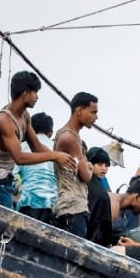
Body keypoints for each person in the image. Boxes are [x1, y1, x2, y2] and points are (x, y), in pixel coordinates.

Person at [0, 71, 75, 209]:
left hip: (3, 180)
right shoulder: (5, 121)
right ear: (25, 94)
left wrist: (61, 159)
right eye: (35, 92)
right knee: (0, 227)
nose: (37, 97)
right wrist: (55, 155)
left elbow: (37, 147)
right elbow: (19, 158)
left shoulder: (24, 116)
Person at [51, 92, 98, 236]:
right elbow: (86, 175)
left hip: (73, 207)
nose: (96, 117)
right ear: (79, 111)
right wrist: (89, 166)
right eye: (93, 112)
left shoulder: (73, 136)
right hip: (71, 207)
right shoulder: (69, 137)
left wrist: (87, 165)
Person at [14, 112, 56, 223]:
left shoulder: (21, 147)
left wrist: (19, 185)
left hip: (28, 202)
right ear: (50, 133)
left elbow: (12, 177)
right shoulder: (57, 149)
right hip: (53, 204)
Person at [84, 147, 115, 246]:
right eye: (100, 164)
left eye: (107, 166)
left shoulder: (95, 184)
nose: (104, 169)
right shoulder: (97, 189)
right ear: (90, 163)